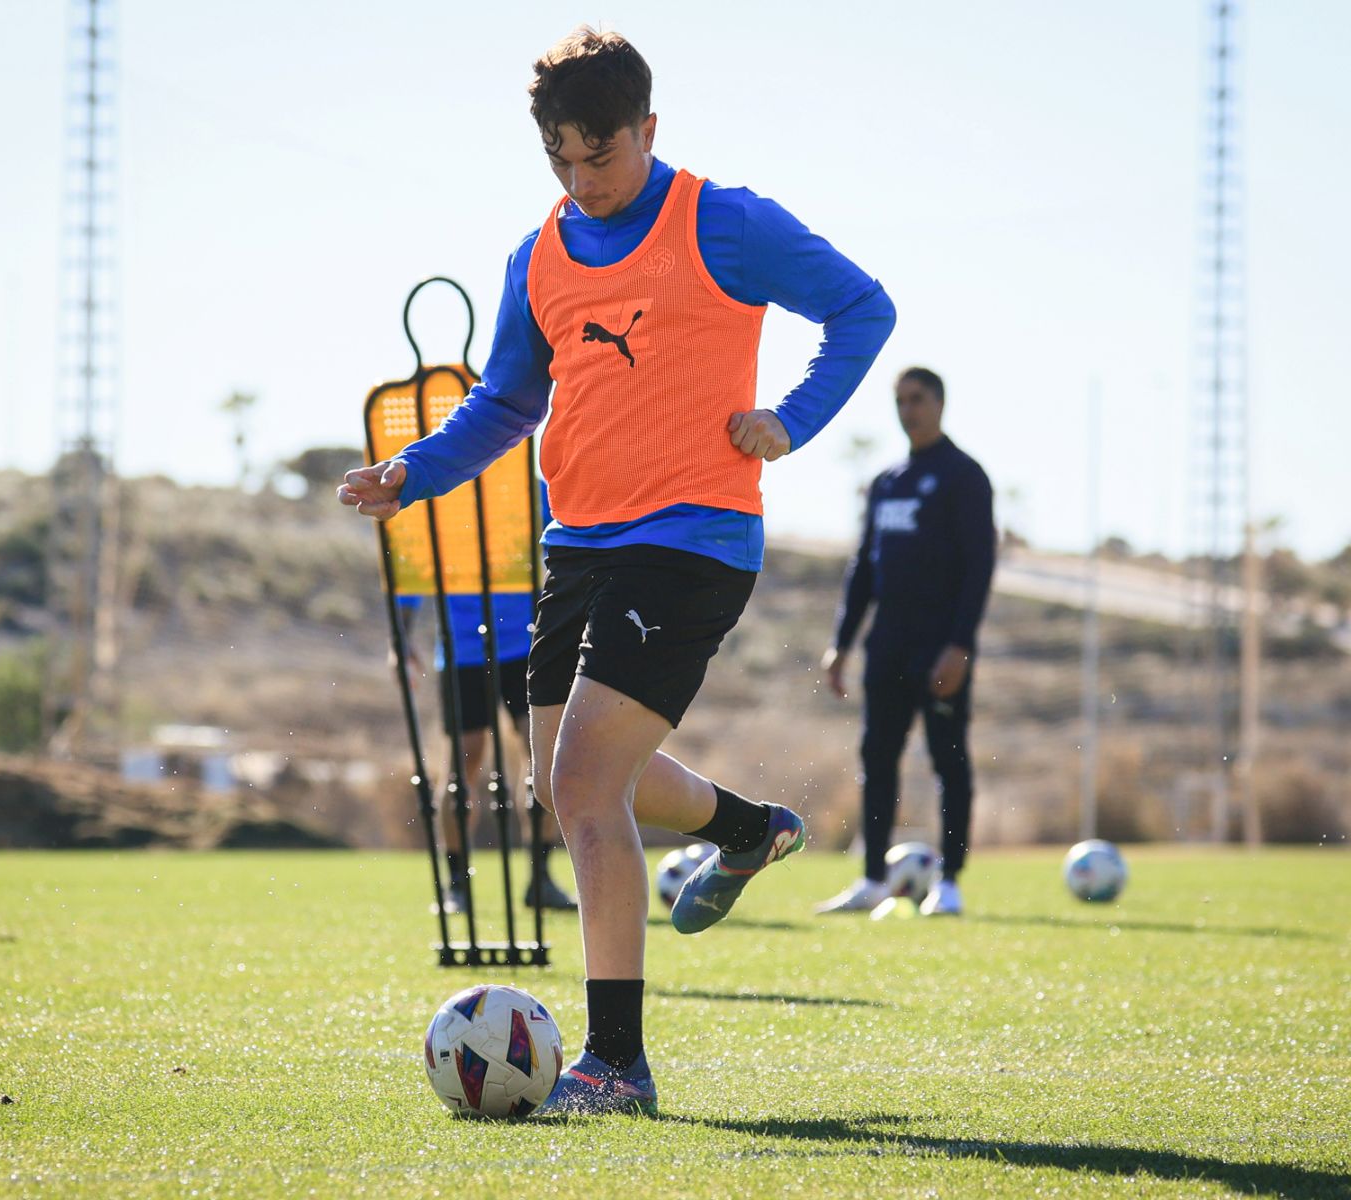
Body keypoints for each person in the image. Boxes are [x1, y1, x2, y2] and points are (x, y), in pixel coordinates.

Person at [340, 26, 894, 1115]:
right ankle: (744, 829)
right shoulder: (536, 255)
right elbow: (507, 402)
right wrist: (414, 472)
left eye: (599, 156)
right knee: (572, 782)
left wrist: (790, 420)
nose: (580, 180)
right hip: (577, 544)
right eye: (559, 159)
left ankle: (616, 1063)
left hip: (692, 539)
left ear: (647, 128)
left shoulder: (722, 222)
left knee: (587, 787)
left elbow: (860, 308)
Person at [818, 367, 995, 917]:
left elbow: (979, 566)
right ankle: (873, 880)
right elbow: (863, 569)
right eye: (900, 400)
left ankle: (951, 882)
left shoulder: (963, 476)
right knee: (877, 757)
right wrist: (842, 643)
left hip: (939, 647)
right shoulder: (887, 481)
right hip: (887, 645)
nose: (908, 410)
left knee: (948, 760)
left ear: (939, 403)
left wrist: (960, 645)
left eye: (917, 399)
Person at [395, 588, 578, 914]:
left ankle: (540, 879)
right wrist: (401, 639)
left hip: (528, 644)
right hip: (462, 651)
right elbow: (412, 578)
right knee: (464, 761)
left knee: (543, 754)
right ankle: (457, 884)